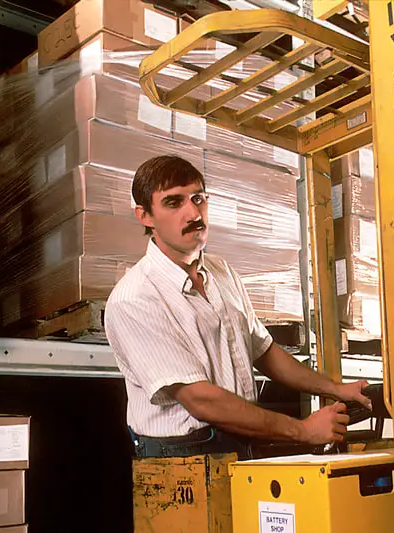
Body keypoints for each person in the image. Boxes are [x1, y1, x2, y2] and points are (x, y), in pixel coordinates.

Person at [105, 155, 371, 459]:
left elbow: (264, 351)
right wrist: (304, 430)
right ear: (145, 216)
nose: (193, 213)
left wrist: (336, 389)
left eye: (198, 198)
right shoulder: (136, 298)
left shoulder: (221, 272)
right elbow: (200, 400)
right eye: (173, 203)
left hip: (240, 438)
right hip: (181, 456)